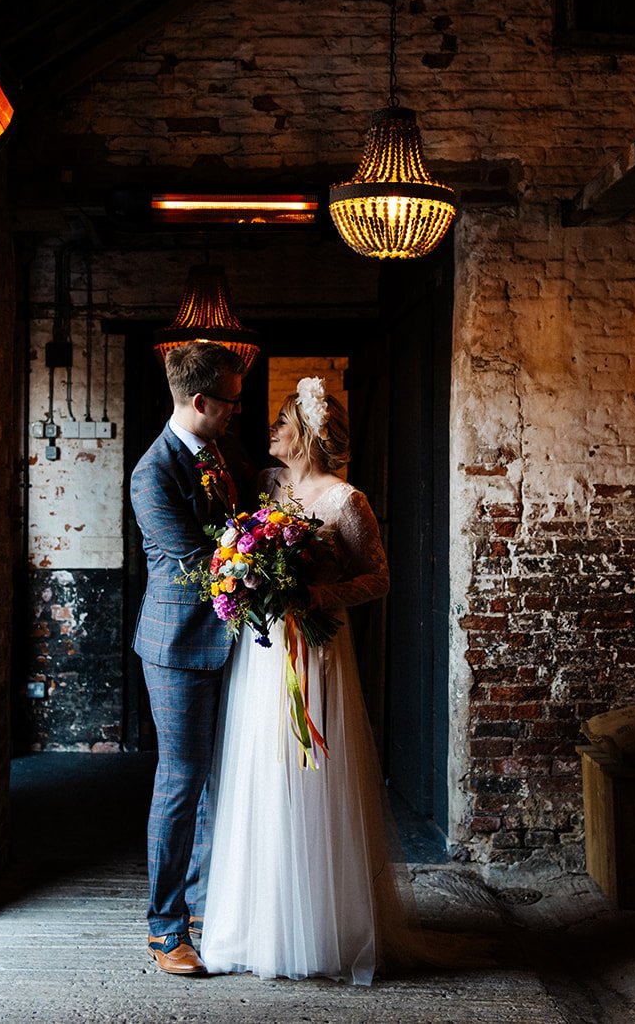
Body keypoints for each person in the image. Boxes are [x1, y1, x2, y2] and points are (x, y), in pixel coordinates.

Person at [199, 376, 409, 985]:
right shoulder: (266, 486)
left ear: (309, 437)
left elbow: (378, 579)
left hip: (317, 652)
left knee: (312, 773)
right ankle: (255, 922)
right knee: (260, 769)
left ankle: (320, 927)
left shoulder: (348, 502)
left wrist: (312, 593)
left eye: (282, 423)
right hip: (265, 655)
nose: (272, 432)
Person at [128, 341, 251, 976]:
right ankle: (165, 927)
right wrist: (266, 561)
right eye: (229, 400)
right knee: (180, 781)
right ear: (199, 401)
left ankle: (202, 906)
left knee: (215, 779)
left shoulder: (213, 455)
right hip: (177, 647)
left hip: (225, 640)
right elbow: (194, 563)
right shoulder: (153, 473)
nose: (237, 410)